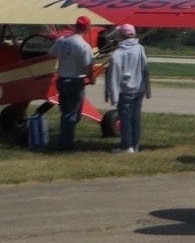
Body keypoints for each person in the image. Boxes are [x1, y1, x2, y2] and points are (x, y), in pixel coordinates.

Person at [50, 15, 95, 149]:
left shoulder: (61, 40)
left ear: (76, 26)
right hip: (75, 81)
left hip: (61, 79)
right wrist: (92, 79)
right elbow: (88, 66)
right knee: (72, 114)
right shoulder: (84, 46)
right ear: (87, 28)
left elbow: (52, 53)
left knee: (66, 112)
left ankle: (66, 137)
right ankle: (65, 143)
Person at [106, 24, 151, 153]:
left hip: (125, 90)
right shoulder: (140, 48)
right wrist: (147, 89)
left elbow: (114, 75)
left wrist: (113, 95)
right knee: (136, 118)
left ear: (120, 35)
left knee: (125, 119)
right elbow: (145, 68)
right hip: (139, 89)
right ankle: (135, 146)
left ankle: (126, 146)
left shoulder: (118, 53)